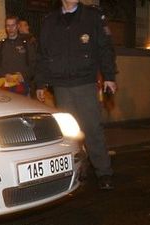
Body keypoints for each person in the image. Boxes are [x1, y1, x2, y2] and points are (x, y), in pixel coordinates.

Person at [35, 0, 118, 190]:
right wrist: (40, 83)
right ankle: (79, 168)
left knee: (91, 129)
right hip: (61, 85)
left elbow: (105, 47)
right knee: (70, 133)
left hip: (85, 82)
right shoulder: (50, 21)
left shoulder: (92, 16)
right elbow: (42, 55)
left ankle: (104, 172)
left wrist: (109, 76)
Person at [0, 15, 36, 96]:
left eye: (13, 25)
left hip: (23, 88)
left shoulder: (27, 45)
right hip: (4, 89)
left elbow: (34, 65)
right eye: (8, 26)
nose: (10, 28)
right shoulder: (0, 46)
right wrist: (4, 74)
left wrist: (23, 75)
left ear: (17, 26)